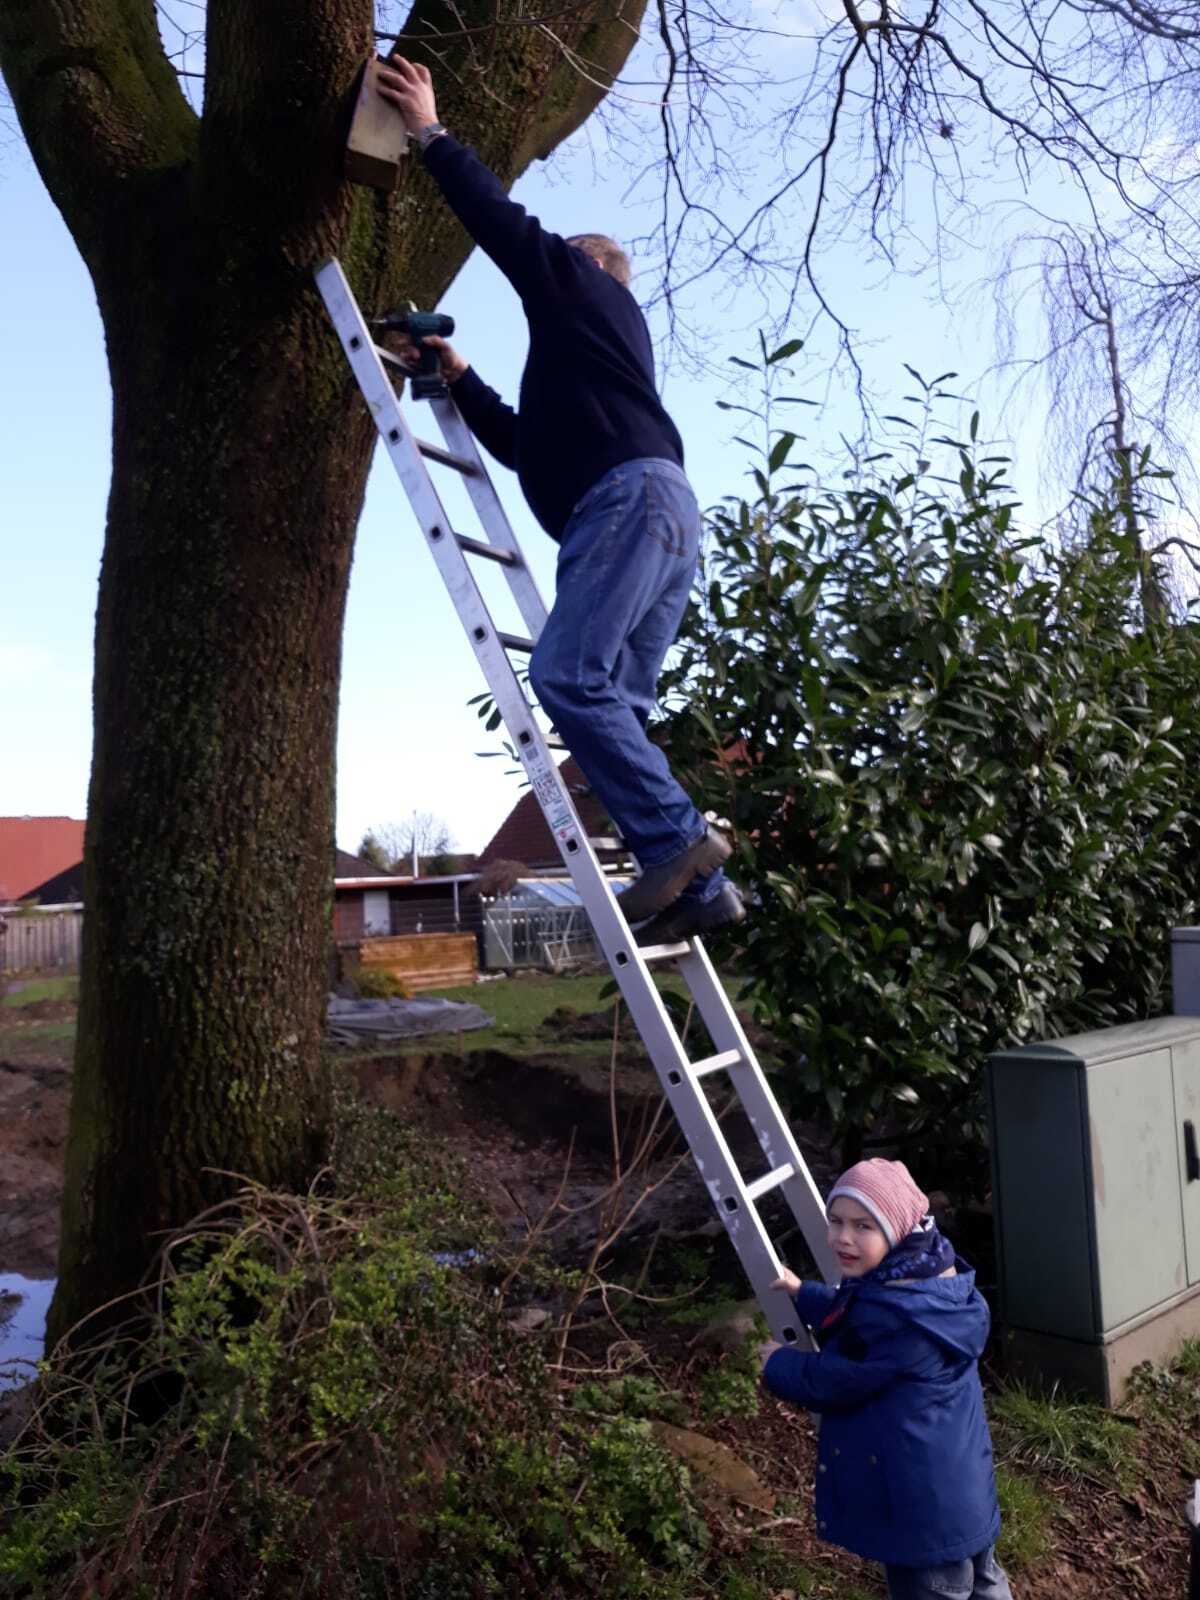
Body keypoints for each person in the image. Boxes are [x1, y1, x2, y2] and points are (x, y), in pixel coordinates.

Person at [375, 55, 745, 948]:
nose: (553, 271)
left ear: (591, 269)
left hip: (626, 507)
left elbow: (508, 230)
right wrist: (457, 375)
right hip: (650, 508)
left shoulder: (587, 289)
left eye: (565, 262)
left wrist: (430, 133)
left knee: (565, 678)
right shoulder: (587, 370)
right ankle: (703, 890)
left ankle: (684, 844)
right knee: (614, 703)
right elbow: (518, 446)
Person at [758, 1158, 1013, 1600]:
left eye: (863, 1226)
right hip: (962, 1497)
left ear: (894, 1229)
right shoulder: (926, 1285)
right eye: (835, 1220)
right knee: (983, 1584)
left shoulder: (897, 1318)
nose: (843, 1237)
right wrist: (805, 1294)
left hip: (918, 1517)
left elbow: (834, 1379)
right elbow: (857, 1314)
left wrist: (773, 1362)